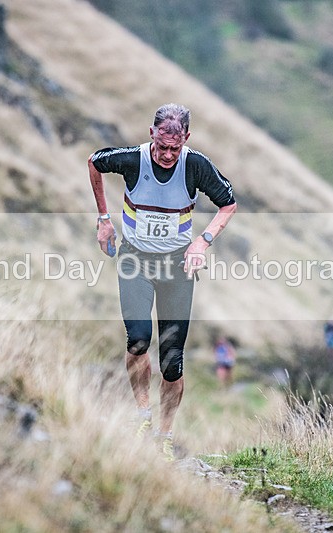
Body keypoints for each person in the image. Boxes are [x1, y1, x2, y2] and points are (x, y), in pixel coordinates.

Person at [88, 103, 237, 461]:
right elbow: (94, 162)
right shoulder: (132, 160)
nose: (168, 154)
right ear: (152, 133)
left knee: (172, 361)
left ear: (186, 139)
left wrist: (203, 242)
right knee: (138, 341)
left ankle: (165, 434)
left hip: (176, 268)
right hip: (134, 261)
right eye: (161, 146)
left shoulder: (196, 166)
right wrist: (104, 218)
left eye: (175, 147)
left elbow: (228, 204)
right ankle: (142, 415)